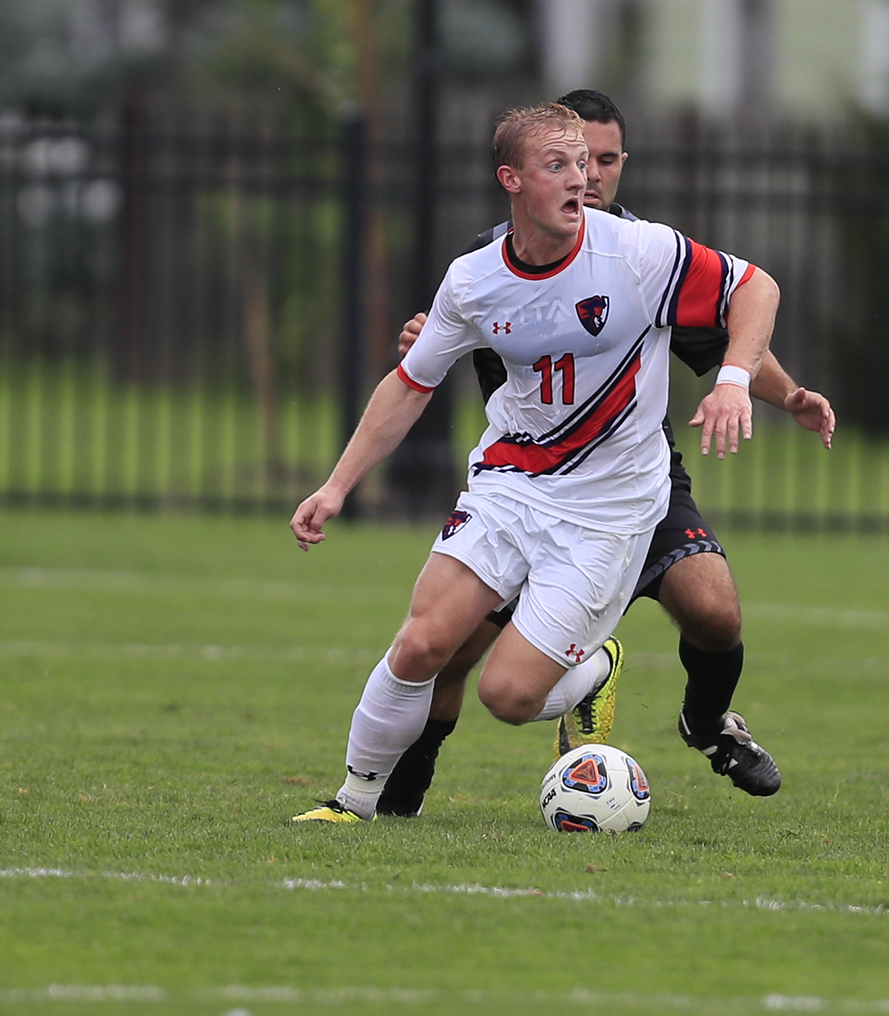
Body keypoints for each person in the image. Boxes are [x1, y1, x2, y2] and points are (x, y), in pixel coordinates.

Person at [289, 102, 782, 823]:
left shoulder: (635, 252)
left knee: (508, 696)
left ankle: (594, 668)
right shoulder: (473, 278)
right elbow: (409, 384)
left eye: (585, 163)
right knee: (423, 643)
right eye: (559, 165)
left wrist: (736, 381)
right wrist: (336, 486)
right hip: (510, 487)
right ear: (511, 180)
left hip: (610, 510)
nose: (580, 179)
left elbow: (754, 287)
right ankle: (353, 802)